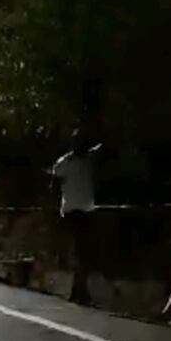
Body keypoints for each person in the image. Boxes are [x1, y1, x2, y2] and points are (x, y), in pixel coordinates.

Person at [50, 129, 99, 305]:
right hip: (72, 210)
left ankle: (79, 289)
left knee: (84, 252)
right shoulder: (64, 163)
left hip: (87, 209)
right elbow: (54, 185)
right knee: (80, 250)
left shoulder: (89, 159)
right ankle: (79, 290)